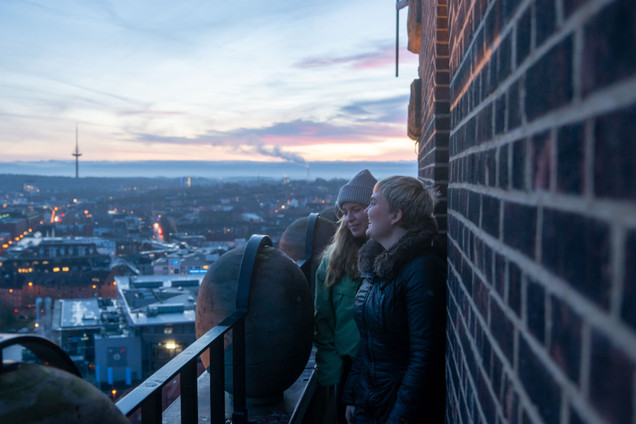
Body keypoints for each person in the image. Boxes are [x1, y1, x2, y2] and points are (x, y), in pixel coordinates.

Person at [343, 176, 447, 424]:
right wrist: (353, 395)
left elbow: (424, 360)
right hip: (371, 401)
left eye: (372, 203)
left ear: (395, 215)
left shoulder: (422, 270)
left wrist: (398, 419)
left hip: (398, 409)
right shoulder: (378, 264)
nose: (366, 211)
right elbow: (369, 341)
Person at [314, 169, 377, 424]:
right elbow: (324, 321)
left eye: (357, 209)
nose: (349, 218)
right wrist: (331, 377)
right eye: (346, 211)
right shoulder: (332, 262)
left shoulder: (392, 254)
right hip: (347, 369)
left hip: (382, 367)